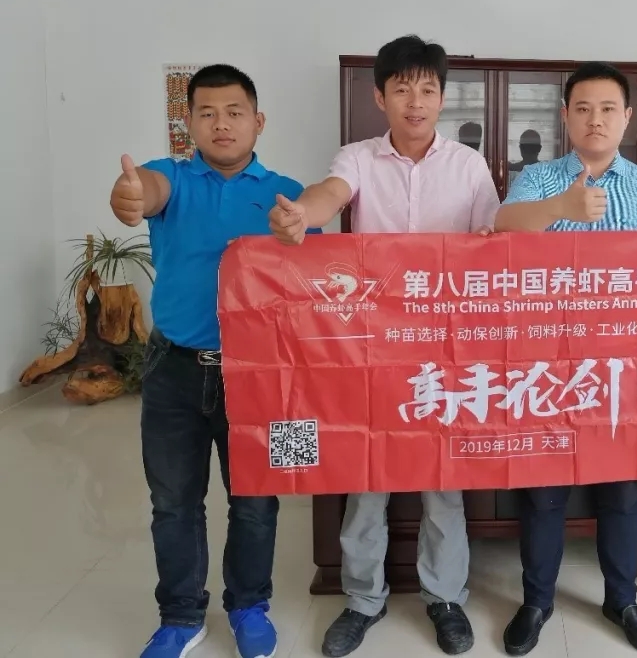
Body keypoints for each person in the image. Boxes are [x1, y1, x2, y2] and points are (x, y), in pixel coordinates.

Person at [268, 35, 499, 658]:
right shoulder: (358, 157)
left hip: (445, 348)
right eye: (402, 89)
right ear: (380, 97)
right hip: (372, 347)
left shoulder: (469, 166)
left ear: (442, 98)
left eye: (427, 89)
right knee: (366, 474)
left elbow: (491, 242)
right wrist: (303, 215)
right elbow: (330, 194)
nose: (415, 102)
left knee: (442, 480)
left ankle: (444, 598)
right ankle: (362, 599)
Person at [110, 64, 315, 658]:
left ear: (258, 121)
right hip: (173, 368)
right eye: (207, 113)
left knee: (258, 499)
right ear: (189, 123)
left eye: (234, 112)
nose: (221, 124)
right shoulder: (172, 179)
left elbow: (320, 280)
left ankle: (250, 606)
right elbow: (143, 191)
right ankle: (180, 617)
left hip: (263, 373)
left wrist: (299, 224)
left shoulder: (288, 194)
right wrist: (128, 195)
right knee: (173, 501)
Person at [493, 61, 637, 656]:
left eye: (607, 109)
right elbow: (503, 225)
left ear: (627, 117)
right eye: (583, 108)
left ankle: (622, 599)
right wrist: (561, 208)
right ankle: (537, 601)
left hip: (627, 363)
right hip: (547, 360)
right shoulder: (539, 178)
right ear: (566, 116)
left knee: (622, 489)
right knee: (543, 486)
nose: (595, 119)